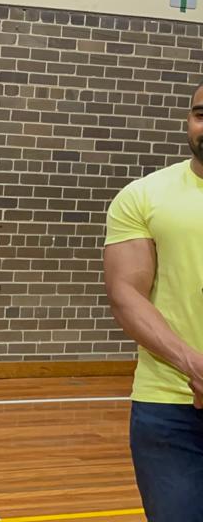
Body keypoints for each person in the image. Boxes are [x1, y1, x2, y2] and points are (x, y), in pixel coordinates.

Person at [104, 81, 203, 522]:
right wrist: (193, 365)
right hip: (169, 404)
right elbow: (126, 293)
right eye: (201, 114)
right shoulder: (143, 196)